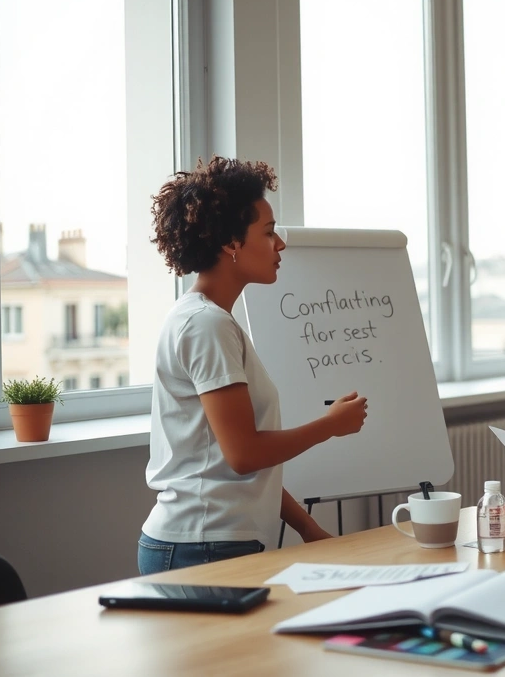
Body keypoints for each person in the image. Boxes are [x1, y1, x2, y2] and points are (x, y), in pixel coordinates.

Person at [139, 156, 368, 575]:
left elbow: (242, 466)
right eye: (267, 232)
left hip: (211, 542)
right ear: (231, 242)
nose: (280, 244)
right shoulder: (205, 325)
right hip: (202, 545)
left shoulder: (209, 320)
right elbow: (244, 454)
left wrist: (308, 528)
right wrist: (331, 425)